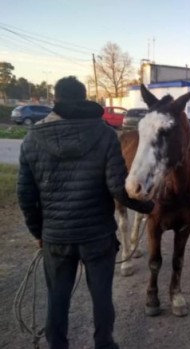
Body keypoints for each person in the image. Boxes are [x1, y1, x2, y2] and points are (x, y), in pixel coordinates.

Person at [17, 76, 154, 349]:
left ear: (55, 100)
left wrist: (38, 232)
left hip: (56, 237)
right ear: (84, 98)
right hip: (98, 237)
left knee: (57, 297)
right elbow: (118, 188)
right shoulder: (104, 134)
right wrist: (149, 207)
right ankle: (104, 343)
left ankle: (57, 345)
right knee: (101, 297)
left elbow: (25, 195)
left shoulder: (32, 139)